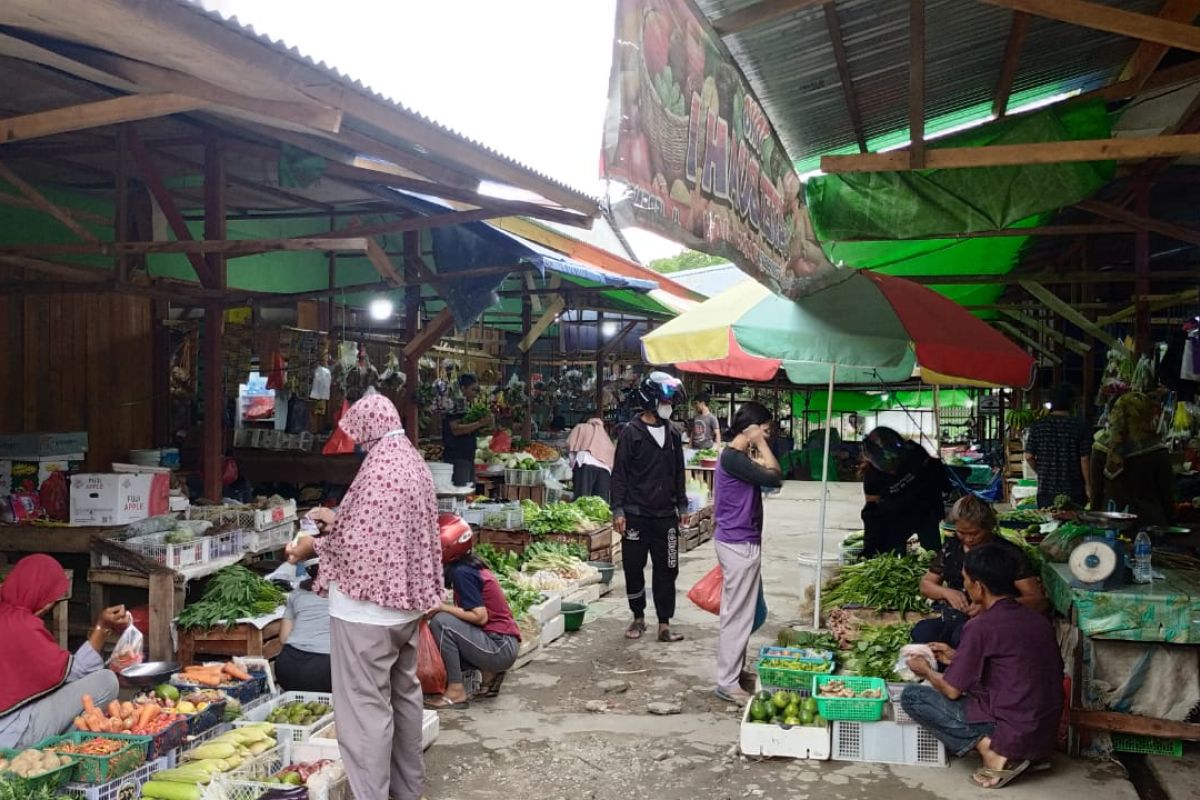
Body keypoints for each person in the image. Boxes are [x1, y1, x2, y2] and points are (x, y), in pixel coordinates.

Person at [287, 393, 443, 800]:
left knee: (364, 714)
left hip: (366, 612)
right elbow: (382, 530)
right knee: (405, 702)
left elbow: (358, 546)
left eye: (359, 436)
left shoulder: (377, 470)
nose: (358, 444)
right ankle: (407, 792)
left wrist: (311, 547)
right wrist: (338, 521)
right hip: (404, 609)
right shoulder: (410, 460)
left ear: (369, 428)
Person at [901, 545, 1063, 789]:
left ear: (979, 587)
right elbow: (1013, 666)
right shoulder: (1037, 620)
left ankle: (993, 752)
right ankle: (1023, 753)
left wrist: (925, 670)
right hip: (1043, 733)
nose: (964, 586)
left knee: (913, 697)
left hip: (1010, 729)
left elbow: (952, 690)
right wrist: (956, 657)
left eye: (966, 580)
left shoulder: (982, 625)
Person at [0, 554, 126, 748]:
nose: (50, 606)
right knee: (106, 681)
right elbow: (74, 672)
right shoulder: (21, 626)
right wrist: (102, 628)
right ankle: (62, 751)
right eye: (52, 600)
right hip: (12, 736)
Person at [712, 401, 783, 703]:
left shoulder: (736, 457)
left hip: (740, 540)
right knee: (737, 615)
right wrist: (759, 442)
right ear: (751, 427)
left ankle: (734, 672)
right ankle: (727, 681)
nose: (767, 434)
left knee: (744, 612)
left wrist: (756, 442)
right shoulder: (733, 458)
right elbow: (774, 476)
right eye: (765, 428)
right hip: (737, 542)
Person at [612, 371, 689, 643]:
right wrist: (618, 510)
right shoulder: (630, 433)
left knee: (667, 568)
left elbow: (679, 471)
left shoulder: (673, 434)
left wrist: (682, 504)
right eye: (665, 400)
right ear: (650, 400)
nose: (669, 406)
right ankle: (638, 617)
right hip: (635, 515)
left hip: (666, 515)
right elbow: (619, 474)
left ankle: (664, 623)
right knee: (633, 567)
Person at [913, 495, 1047, 648]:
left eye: (975, 533)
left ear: (989, 527)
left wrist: (993, 606)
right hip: (957, 615)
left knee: (964, 637)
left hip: (997, 620)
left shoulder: (1007, 553)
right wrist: (946, 592)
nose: (968, 539)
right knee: (922, 633)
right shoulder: (952, 548)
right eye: (962, 533)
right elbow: (926, 584)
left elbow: (1037, 600)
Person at [425, 520, 521, 709]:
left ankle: (456, 691)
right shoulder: (470, 566)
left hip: (499, 646)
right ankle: (489, 674)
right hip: (502, 643)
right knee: (445, 624)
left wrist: (441, 607)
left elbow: (480, 616)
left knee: (441, 622)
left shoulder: (462, 573)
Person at [1091, 392, 1173, 526]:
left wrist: (1093, 524)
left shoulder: (1100, 447)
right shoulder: (1156, 450)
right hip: (1149, 524)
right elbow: (1166, 495)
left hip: (1110, 523)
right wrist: (1171, 524)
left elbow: (1096, 493)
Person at [860, 427, 946, 555]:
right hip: (895, 516)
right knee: (894, 553)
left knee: (932, 552)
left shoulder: (916, 454)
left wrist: (938, 509)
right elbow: (872, 512)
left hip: (924, 509)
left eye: (895, 463)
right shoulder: (872, 475)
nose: (892, 471)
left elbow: (935, 478)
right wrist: (870, 546)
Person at [1025, 385, 1092, 509]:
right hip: (1074, 489)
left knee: (1047, 525)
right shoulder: (1081, 426)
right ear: (1072, 403)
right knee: (1073, 525)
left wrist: (1041, 472)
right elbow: (1085, 458)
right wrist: (1088, 485)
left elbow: (1029, 456)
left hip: (1046, 489)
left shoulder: (1038, 426)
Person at [275, 562, 332, 693]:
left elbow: (283, 638)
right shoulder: (346, 592)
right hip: (324, 667)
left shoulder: (297, 592)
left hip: (287, 665)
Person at [443, 374, 493, 488]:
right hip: (457, 456)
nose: (476, 393)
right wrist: (480, 423)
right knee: (461, 491)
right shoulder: (454, 404)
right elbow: (456, 430)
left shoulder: (467, 405)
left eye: (477, 390)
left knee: (469, 490)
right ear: (463, 388)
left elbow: (469, 427)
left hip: (467, 456)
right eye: (473, 389)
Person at [566, 414, 615, 502]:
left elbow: (570, 446)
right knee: (601, 503)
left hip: (585, 463)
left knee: (581, 499)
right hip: (605, 468)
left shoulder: (581, 426)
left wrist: (572, 466)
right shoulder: (602, 432)